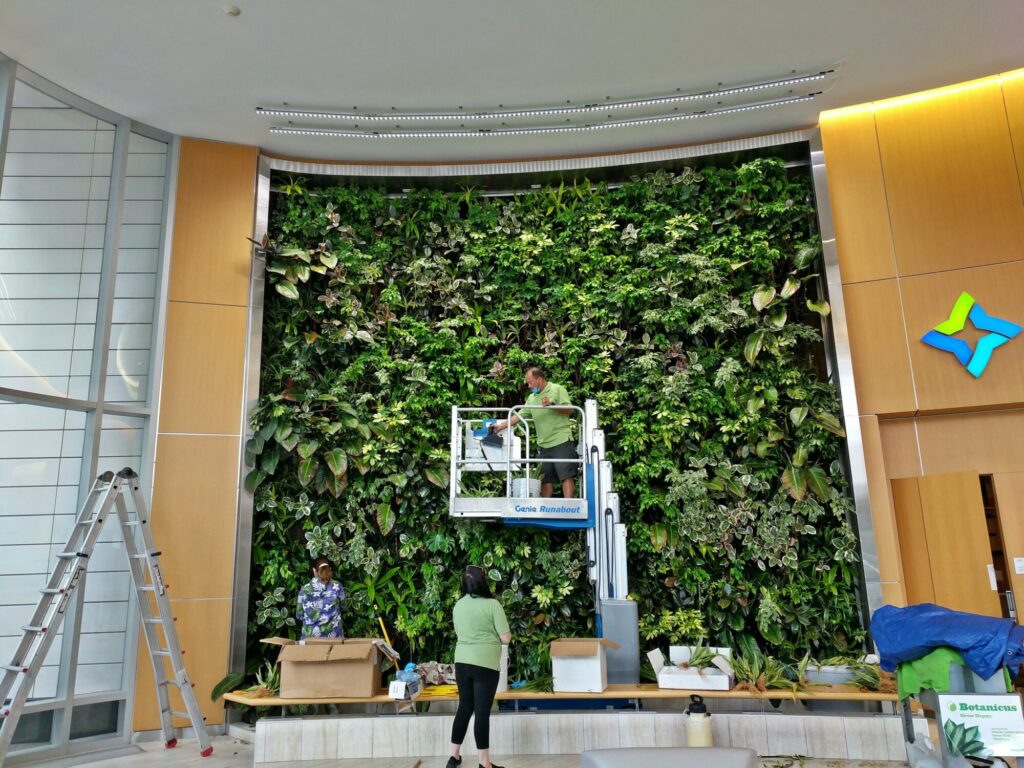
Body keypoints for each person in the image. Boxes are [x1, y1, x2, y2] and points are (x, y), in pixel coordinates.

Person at [447, 565, 511, 768]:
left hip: (462, 662)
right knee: (482, 712)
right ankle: (485, 764)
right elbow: (506, 638)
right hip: (485, 664)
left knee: (465, 708)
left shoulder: (458, 606)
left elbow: (460, 633)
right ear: (483, 582)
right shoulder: (493, 605)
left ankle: (454, 757)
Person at [492, 365, 578, 498]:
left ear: (539, 380)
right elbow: (519, 416)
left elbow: (569, 409)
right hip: (543, 444)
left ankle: (570, 509)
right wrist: (500, 426)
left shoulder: (557, 389)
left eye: (530, 382)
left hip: (561, 440)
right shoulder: (532, 398)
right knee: (545, 479)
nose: (529, 385)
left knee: (565, 476)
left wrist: (552, 406)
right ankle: (544, 511)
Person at [296, 556, 345, 639]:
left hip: (310, 640)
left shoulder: (304, 589)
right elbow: (343, 607)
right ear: (329, 569)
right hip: (334, 639)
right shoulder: (337, 586)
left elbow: (299, 615)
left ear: (314, 570)